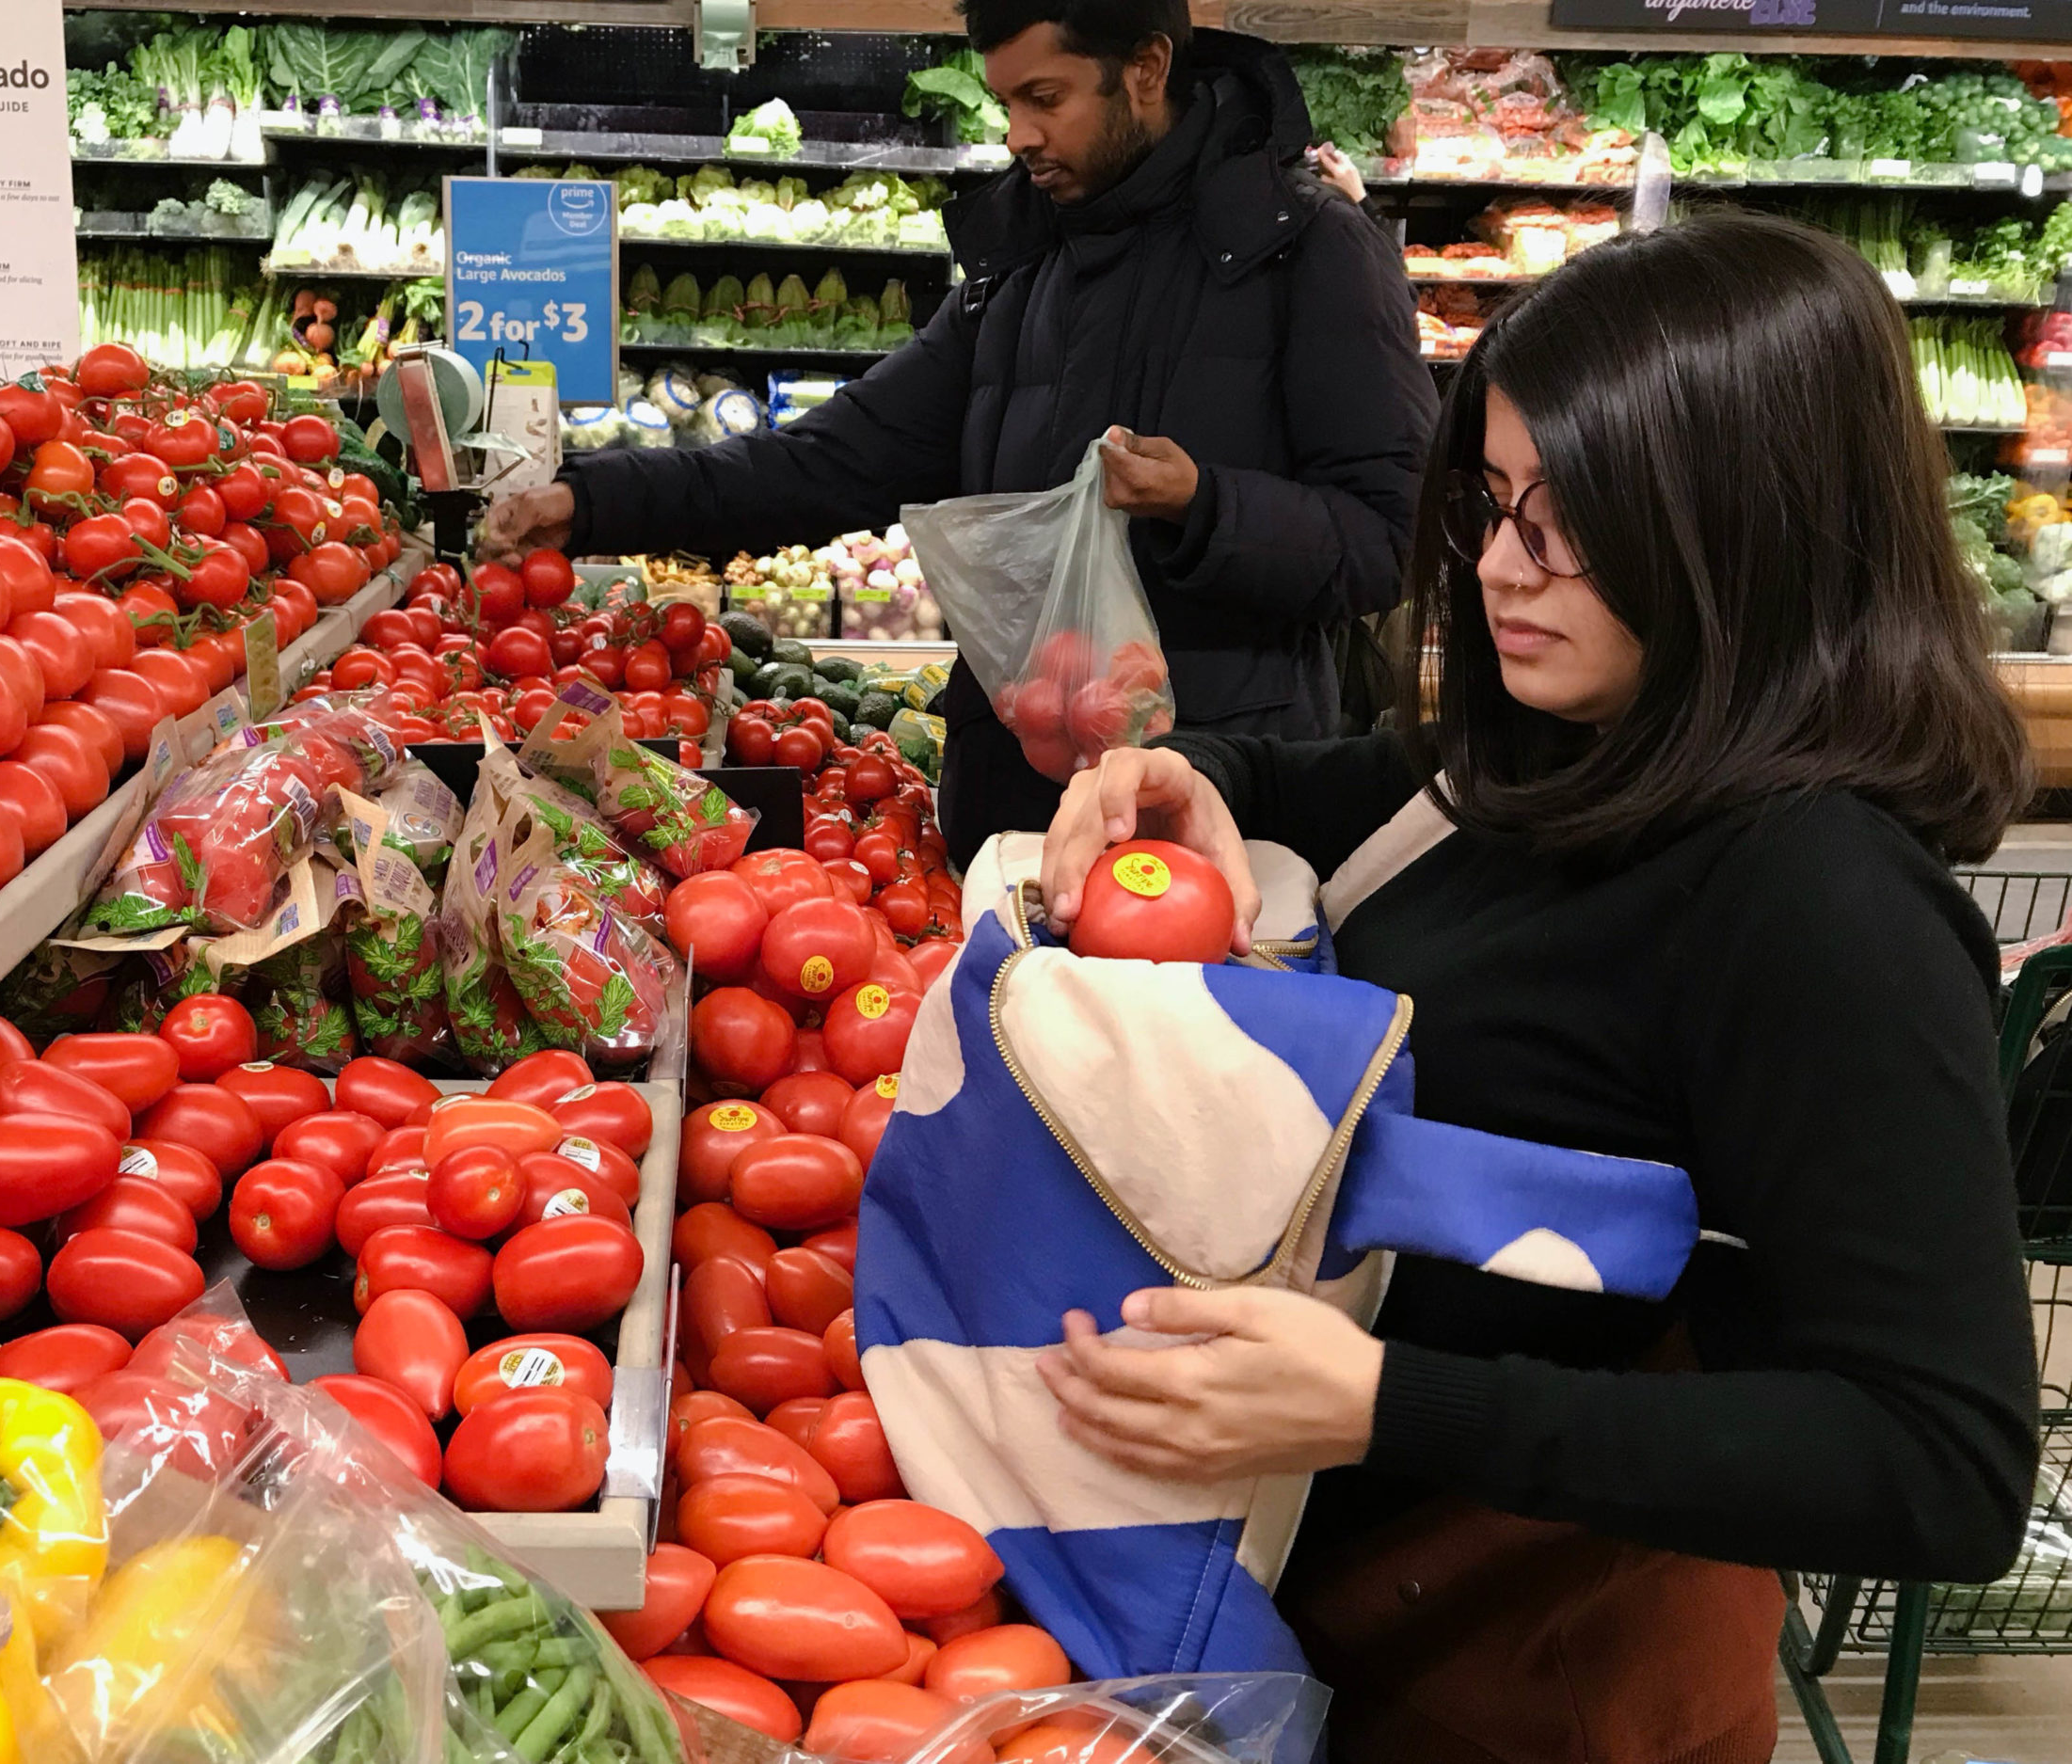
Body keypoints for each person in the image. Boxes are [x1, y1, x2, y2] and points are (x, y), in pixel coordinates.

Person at [1033, 213, 2041, 1761]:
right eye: (1495, 507)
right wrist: (1176, 776)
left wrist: (1383, 1403)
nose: (1503, 569)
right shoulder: (1558, 748)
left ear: (1744, 524)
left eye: (1570, 522)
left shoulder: (1818, 899)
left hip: (1521, 1682)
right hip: (1311, 1624)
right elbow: (1325, 774)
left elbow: (1937, 1458)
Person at [486, 0, 1435, 860]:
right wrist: (595, 498)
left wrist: (1205, 504)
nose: (1019, 135)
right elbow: (833, 458)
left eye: (1046, 97)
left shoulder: (1303, 250)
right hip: (1011, 813)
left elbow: (1394, 537)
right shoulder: (1018, 270)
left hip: (1211, 816)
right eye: (1004, 102)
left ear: (1145, 69)